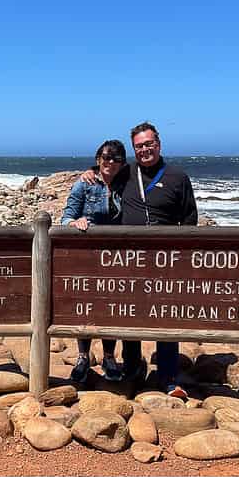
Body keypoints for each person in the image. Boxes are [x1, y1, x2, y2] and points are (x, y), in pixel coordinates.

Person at [83, 121, 198, 398]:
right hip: (130, 258)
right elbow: (105, 172)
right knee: (129, 314)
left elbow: (190, 220)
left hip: (166, 260)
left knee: (166, 317)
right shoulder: (127, 172)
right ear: (134, 149)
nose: (144, 149)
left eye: (149, 144)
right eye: (139, 146)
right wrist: (90, 171)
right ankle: (133, 368)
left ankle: (169, 377)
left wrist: (183, 258)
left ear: (158, 143)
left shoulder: (177, 177)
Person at [60, 140, 128, 383]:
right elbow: (66, 216)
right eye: (106, 157)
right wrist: (74, 223)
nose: (110, 162)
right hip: (88, 257)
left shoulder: (126, 182)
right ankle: (83, 357)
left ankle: (109, 358)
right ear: (98, 159)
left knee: (111, 307)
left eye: (116, 159)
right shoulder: (85, 183)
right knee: (86, 307)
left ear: (122, 163)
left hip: (118, 258)